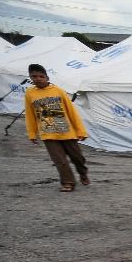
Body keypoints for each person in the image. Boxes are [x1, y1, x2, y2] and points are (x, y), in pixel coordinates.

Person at [24, 64, 89, 192]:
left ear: (47, 77)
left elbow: (72, 111)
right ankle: (68, 183)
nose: (38, 79)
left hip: (67, 132)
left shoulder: (58, 91)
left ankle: (82, 172)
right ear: (30, 78)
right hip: (48, 133)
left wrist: (80, 131)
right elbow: (30, 114)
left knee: (77, 158)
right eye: (34, 76)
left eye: (41, 76)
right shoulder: (30, 93)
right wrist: (32, 133)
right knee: (59, 160)